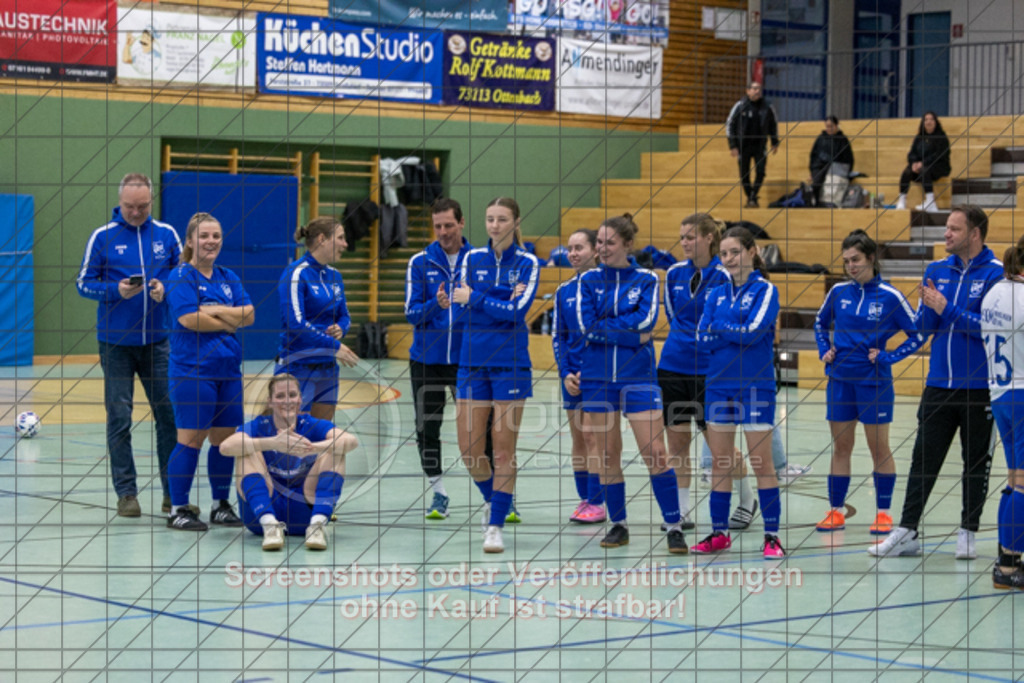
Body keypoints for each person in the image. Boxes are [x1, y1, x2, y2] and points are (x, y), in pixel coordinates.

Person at [870, 206, 1002, 559]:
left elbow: (991, 329)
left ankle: (968, 532)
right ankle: (908, 530)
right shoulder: (936, 271)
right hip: (939, 386)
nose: (946, 234)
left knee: (975, 463)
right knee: (922, 460)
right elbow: (924, 326)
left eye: (954, 229)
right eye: (946, 228)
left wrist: (948, 309)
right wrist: (885, 349)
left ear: (974, 234)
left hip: (981, 390)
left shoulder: (996, 275)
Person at [577, 215, 687, 554]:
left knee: (655, 452)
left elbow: (647, 321)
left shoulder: (648, 279)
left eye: (610, 243)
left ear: (627, 245)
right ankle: (618, 524)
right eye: (599, 243)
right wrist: (628, 333)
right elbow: (585, 325)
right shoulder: (587, 281)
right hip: (597, 378)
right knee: (608, 454)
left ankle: (674, 525)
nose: (603, 249)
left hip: (639, 378)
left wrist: (609, 326)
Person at [76, 173, 181, 518]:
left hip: (159, 344)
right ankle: (126, 494)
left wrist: (165, 288)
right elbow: (83, 283)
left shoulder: (167, 235)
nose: (135, 212)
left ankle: (172, 494)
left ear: (152, 201)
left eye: (142, 206)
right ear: (119, 202)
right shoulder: (102, 237)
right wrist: (113, 291)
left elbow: (183, 275)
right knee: (119, 417)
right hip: (116, 345)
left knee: (168, 415)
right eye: (129, 207)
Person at [814, 230, 923, 535]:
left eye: (856, 259)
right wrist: (826, 350)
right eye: (846, 260)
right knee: (841, 448)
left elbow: (917, 334)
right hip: (839, 382)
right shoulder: (837, 292)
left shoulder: (890, 296)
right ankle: (835, 511)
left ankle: (884, 513)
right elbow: (820, 324)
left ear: (871, 258)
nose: (850, 265)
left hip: (874, 384)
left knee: (879, 449)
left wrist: (889, 357)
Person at [451, 197, 540, 553]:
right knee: (470, 451)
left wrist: (478, 297)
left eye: (502, 219)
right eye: (489, 219)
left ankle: (495, 524)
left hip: (511, 364)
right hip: (472, 363)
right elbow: (461, 301)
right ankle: (495, 500)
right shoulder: (471, 259)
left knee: (503, 452)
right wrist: (493, 298)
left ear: (516, 222)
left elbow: (517, 313)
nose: (494, 226)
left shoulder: (529, 262)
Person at [693, 226, 784, 558]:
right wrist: (731, 332)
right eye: (723, 254)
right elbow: (701, 337)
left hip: (755, 387)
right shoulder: (715, 293)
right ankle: (719, 533)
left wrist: (723, 329)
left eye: (734, 252)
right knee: (720, 463)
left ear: (752, 251)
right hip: (718, 386)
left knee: (762, 463)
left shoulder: (766, 290)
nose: (729, 259)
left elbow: (755, 332)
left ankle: (772, 537)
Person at [164, 212, 254, 531]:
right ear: (190, 241)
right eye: (204, 236)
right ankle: (178, 509)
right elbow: (189, 319)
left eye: (216, 235)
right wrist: (230, 322)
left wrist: (215, 311)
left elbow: (250, 314)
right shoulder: (180, 277)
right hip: (193, 371)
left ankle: (220, 504)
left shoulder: (228, 276)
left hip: (228, 370)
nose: (211, 241)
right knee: (191, 440)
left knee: (225, 440)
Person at [405, 198, 492, 520]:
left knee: (482, 430)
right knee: (427, 428)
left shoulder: (482, 261)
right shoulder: (419, 262)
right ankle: (438, 492)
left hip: (469, 360)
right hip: (426, 360)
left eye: (448, 225)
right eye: (437, 226)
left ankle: (494, 496)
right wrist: (435, 305)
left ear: (462, 223)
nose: (442, 232)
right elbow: (411, 314)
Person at [219, 373, 359, 551]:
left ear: (300, 399)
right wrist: (273, 443)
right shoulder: (260, 425)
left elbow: (351, 441)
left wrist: (309, 447)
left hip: (304, 511)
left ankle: (317, 526)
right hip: (261, 512)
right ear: (270, 401)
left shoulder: (309, 424)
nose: (287, 401)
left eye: (292, 395)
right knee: (245, 450)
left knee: (336, 449)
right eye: (280, 396)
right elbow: (225, 447)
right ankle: (270, 526)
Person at [658, 213, 730, 530]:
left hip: (709, 371)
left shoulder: (725, 276)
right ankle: (682, 511)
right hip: (673, 365)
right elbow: (673, 315)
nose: (684, 243)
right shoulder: (674, 273)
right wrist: (686, 339)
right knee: (677, 444)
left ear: (709, 238)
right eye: (682, 237)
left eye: (690, 237)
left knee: (719, 446)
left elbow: (723, 319)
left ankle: (746, 497)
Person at [276, 217, 360, 420]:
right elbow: (295, 323)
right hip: (298, 366)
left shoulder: (335, 276)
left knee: (321, 435)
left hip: (327, 368)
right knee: (294, 439)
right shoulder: (296, 274)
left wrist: (341, 328)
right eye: (340, 238)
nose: (345, 244)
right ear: (322, 239)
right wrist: (335, 345)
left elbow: (344, 316)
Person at [552, 228, 604, 523]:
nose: (572, 253)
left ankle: (598, 502)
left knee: (593, 435)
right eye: (570, 248)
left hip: (598, 374)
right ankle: (584, 499)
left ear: (595, 250)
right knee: (578, 439)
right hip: (572, 376)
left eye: (579, 247)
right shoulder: (564, 291)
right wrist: (565, 372)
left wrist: (591, 369)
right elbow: (558, 336)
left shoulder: (607, 286)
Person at [980, 238, 1024, 589]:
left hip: (1001, 394)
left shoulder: (994, 292)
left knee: (1015, 479)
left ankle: (1005, 559)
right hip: (1022, 395)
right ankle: (1008, 568)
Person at [726, 81, 779, 208]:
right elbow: (730, 125)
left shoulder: (767, 106)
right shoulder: (740, 106)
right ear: (748, 91)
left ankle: (753, 196)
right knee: (744, 174)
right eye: (754, 89)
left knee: (760, 172)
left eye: (759, 89)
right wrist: (733, 145)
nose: (757, 91)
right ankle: (750, 196)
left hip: (760, 146)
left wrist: (774, 141)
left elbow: (773, 125)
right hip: (743, 146)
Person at [895, 111, 951, 212]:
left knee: (925, 170)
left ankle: (930, 202)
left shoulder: (941, 137)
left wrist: (923, 163)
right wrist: (913, 163)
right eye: (926, 120)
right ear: (923, 122)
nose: (928, 122)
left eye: (931, 119)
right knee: (907, 172)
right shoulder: (919, 137)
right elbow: (912, 153)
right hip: (921, 167)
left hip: (939, 166)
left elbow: (939, 155)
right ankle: (902, 201)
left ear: (935, 122)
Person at [808, 115, 854, 206]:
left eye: (831, 126)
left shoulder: (843, 140)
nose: (829, 129)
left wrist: (848, 172)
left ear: (836, 126)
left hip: (835, 168)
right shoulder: (820, 138)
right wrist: (811, 171)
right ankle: (815, 204)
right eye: (827, 126)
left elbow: (848, 158)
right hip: (820, 166)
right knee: (816, 182)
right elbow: (813, 156)